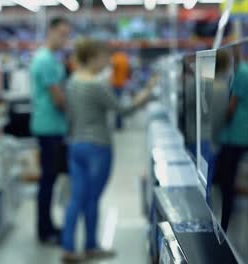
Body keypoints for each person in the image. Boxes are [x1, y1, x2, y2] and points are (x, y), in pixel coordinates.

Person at [62, 38, 156, 262]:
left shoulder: (72, 81)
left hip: (76, 145)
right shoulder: (97, 85)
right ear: (93, 58)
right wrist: (147, 93)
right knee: (92, 199)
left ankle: (68, 247)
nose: (109, 62)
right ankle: (91, 246)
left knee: (76, 198)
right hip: (98, 146)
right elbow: (124, 110)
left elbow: (70, 117)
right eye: (105, 57)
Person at [30, 17, 71, 245]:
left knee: (51, 179)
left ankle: (47, 227)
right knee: (48, 180)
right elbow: (58, 98)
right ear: (51, 32)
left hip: (54, 127)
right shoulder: (45, 60)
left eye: (67, 35)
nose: (65, 40)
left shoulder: (52, 60)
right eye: (63, 34)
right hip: (49, 128)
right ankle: (45, 230)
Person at [215, 46, 248, 232]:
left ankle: (225, 222)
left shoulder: (242, 72)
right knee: (228, 178)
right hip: (239, 132)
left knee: (226, 180)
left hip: (234, 134)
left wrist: (217, 120)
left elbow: (232, 105)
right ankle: (226, 217)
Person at [110, 50, 130, 130]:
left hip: (115, 84)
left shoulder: (115, 58)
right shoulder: (125, 59)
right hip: (121, 83)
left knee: (116, 105)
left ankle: (118, 124)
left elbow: (112, 67)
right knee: (119, 104)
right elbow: (128, 72)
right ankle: (119, 124)